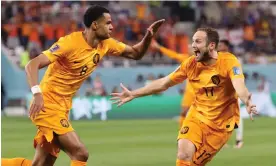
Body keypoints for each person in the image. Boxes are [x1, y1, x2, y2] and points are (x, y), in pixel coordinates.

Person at [1, 5, 164, 166]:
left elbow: (135, 53)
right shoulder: (69, 43)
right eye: (108, 23)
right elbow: (32, 64)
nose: (112, 27)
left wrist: (148, 36)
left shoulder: (106, 44)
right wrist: (37, 94)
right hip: (47, 105)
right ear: (95, 25)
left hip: (63, 108)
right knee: (80, 153)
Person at [111, 27, 257, 166]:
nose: (193, 45)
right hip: (196, 117)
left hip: (220, 126)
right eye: (193, 41)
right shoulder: (190, 64)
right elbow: (164, 83)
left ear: (211, 45)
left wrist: (247, 101)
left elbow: (239, 85)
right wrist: (133, 93)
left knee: (193, 163)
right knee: (183, 154)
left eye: (198, 42)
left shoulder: (229, 61)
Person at [151, 40, 194, 128]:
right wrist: (159, 47)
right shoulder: (186, 58)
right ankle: (182, 133)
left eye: (191, 48)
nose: (189, 49)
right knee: (184, 111)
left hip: (200, 91)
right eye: (189, 48)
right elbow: (172, 54)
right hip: (189, 91)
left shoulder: (203, 61)